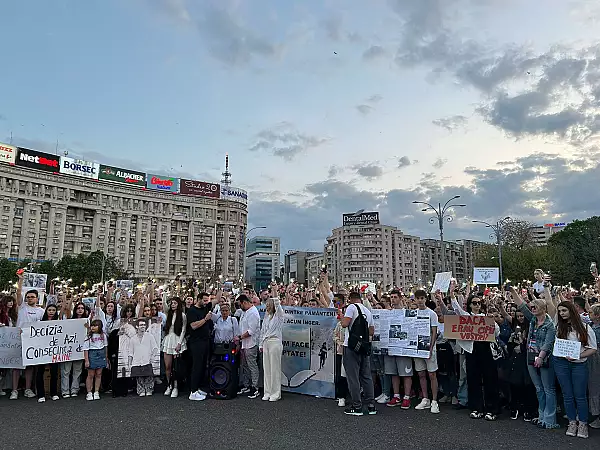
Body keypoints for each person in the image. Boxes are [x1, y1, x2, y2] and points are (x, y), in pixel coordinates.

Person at [510, 287, 558, 429]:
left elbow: (548, 343)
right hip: (530, 356)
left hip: (544, 358)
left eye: (535, 307)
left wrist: (540, 357)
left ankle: (550, 419)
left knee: (548, 388)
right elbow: (522, 306)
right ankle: (541, 414)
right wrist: (513, 292)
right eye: (532, 307)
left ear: (543, 308)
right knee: (538, 388)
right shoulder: (532, 320)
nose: (532, 309)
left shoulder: (549, 324)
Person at [553, 301, 597, 439]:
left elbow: (592, 348)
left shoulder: (585, 327)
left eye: (564, 311)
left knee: (580, 395)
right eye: (560, 311)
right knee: (567, 394)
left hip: (579, 364)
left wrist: (578, 355)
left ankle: (582, 423)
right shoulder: (560, 327)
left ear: (571, 311)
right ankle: (572, 422)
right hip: (562, 363)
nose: (561, 314)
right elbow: (558, 345)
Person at [342, 291, 376, 416]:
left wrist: (341, 317)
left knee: (353, 377)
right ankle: (371, 405)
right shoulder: (367, 311)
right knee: (366, 376)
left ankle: (357, 407)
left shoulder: (351, 307)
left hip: (351, 346)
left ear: (351, 298)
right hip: (364, 347)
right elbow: (372, 331)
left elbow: (345, 323)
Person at [13, 272, 44, 400]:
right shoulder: (22, 307)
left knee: (29, 366)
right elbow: (19, 293)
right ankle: (14, 390)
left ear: (37, 298)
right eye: (28, 297)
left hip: (33, 341)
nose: (30, 299)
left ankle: (27, 389)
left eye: (32, 297)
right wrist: (20, 280)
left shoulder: (41, 311)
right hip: (19, 339)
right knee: (16, 365)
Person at [187, 291, 220, 401]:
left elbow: (217, 299)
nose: (207, 302)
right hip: (196, 342)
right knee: (196, 366)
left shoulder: (206, 307)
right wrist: (205, 319)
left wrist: (221, 286)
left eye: (208, 300)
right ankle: (193, 391)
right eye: (204, 300)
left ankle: (198, 388)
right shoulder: (192, 311)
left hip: (206, 341)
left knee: (202, 367)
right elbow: (193, 326)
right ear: (199, 299)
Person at [413, 289, 440, 414]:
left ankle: (434, 401)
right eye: (417, 298)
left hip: (429, 347)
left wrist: (431, 347)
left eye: (422, 298)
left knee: (432, 374)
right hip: (417, 348)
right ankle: (425, 398)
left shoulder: (431, 314)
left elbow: (434, 331)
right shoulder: (413, 313)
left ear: (425, 299)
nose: (420, 301)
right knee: (421, 374)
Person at [259, 283, 284, 402]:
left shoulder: (279, 316)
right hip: (266, 343)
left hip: (275, 342)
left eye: (270, 305)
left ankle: (275, 393)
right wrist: (260, 344)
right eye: (267, 305)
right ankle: (267, 391)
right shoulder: (266, 318)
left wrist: (274, 291)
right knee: (267, 368)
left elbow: (277, 302)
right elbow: (262, 332)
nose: (267, 307)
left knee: (274, 369)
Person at [61, 301, 88, 398]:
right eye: (78, 308)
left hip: (79, 350)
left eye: (82, 308)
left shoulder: (87, 321)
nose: (80, 310)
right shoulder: (70, 320)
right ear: (75, 310)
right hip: (68, 349)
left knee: (77, 371)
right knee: (66, 371)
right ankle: (65, 390)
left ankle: (74, 390)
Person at [35, 303, 61, 403]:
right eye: (49, 310)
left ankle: (53, 393)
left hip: (54, 351)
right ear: (46, 311)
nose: (51, 312)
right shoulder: (40, 323)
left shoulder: (59, 323)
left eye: (53, 310)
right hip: (42, 351)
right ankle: (41, 394)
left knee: (54, 372)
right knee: (40, 372)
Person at [127, 318, 160, 396]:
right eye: (141, 325)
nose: (143, 326)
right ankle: (141, 390)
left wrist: (152, 357)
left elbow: (155, 348)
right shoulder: (133, 339)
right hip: (137, 361)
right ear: (137, 327)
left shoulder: (150, 336)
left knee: (149, 376)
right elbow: (130, 353)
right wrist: (129, 364)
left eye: (144, 325)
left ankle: (149, 390)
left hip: (147, 360)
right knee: (139, 378)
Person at [162, 297, 187, 398]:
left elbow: (183, 330)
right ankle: (169, 385)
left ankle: (176, 387)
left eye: (175, 303)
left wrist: (179, 343)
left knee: (176, 367)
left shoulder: (183, 315)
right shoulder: (168, 314)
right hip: (168, 340)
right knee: (168, 366)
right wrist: (164, 294)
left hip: (177, 340)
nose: (173, 305)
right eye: (171, 303)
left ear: (179, 304)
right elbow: (164, 304)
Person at [238, 294, 261, 399]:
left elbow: (251, 331)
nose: (240, 307)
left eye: (240, 304)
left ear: (245, 302)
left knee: (252, 366)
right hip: (244, 344)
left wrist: (240, 337)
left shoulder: (253, 313)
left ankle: (255, 388)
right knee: (245, 366)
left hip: (251, 343)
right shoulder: (245, 312)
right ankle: (246, 385)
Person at [83, 319, 109, 401]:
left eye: (95, 325)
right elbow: (86, 349)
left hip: (101, 353)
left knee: (99, 373)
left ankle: (96, 391)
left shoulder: (103, 335)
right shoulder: (88, 336)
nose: (93, 327)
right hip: (92, 354)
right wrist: (86, 360)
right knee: (91, 374)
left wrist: (106, 357)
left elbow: (105, 347)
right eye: (92, 325)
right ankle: (89, 392)